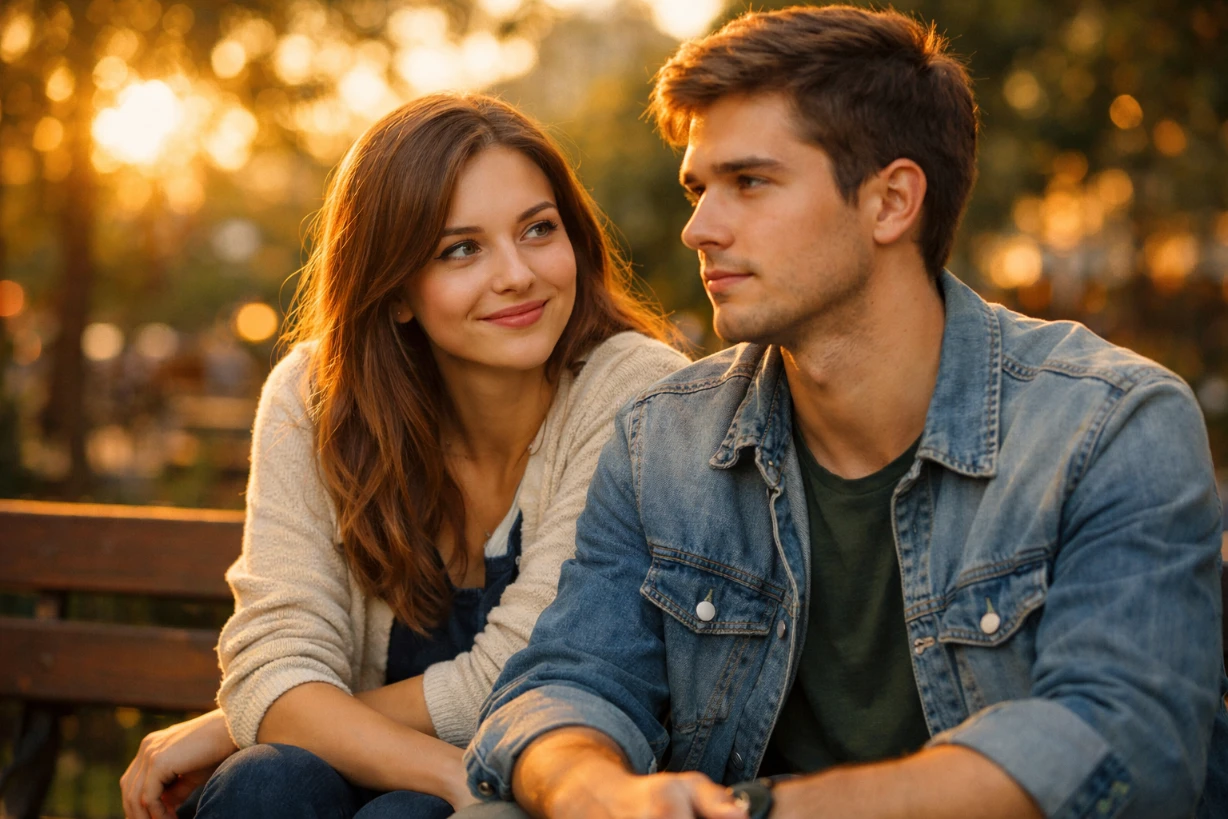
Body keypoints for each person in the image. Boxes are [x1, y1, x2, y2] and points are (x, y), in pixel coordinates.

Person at [457, 6, 1228, 819]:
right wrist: (599, 792)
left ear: (891, 201)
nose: (698, 228)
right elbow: (568, 682)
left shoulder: (1110, 425)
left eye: (749, 182)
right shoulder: (662, 438)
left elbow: (1122, 745)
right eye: (698, 189)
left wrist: (769, 810)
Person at [118, 93, 687, 819]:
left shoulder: (635, 391)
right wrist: (437, 769)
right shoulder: (316, 395)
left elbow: (524, 671)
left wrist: (257, 715)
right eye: (461, 249)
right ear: (395, 292)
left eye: (538, 229)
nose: (516, 273)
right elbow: (274, 658)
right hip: (360, 778)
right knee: (265, 782)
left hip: (545, 777)